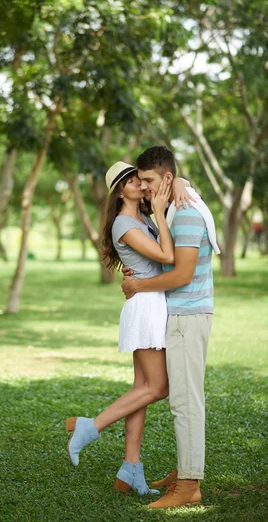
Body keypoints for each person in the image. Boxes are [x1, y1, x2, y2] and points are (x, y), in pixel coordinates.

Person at [65, 160, 193, 496]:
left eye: (140, 178)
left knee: (142, 388)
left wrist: (178, 185)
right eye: (133, 180)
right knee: (158, 387)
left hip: (150, 302)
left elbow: (171, 183)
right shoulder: (124, 223)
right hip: (146, 307)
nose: (140, 183)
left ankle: (130, 469)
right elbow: (168, 256)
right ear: (121, 190)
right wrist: (163, 208)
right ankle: (90, 426)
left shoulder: (143, 217)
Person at [121, 145, 220, 509]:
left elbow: (182, 273)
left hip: (189, 316)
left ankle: (190, 485)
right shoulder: (172, 208)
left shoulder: (188, 213)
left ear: (165, 178)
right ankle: (184, 472)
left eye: (148, 180)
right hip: (176, 314)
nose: (143, 188)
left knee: (186, 401)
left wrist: (137, 286)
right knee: (180, 398)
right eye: (140, 181)